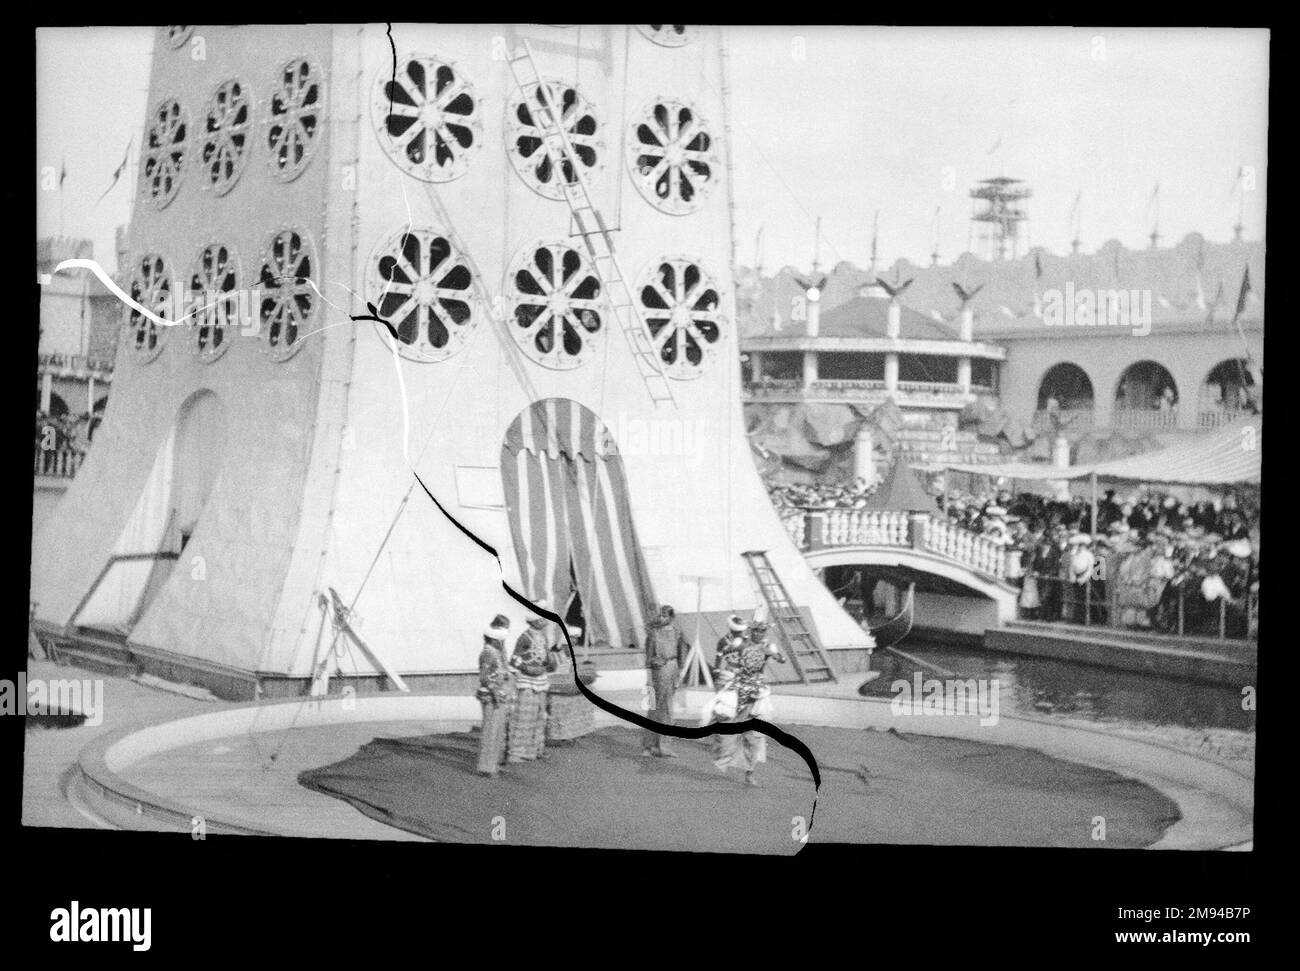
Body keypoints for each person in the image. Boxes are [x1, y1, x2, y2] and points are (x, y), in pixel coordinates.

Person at [508, 603, 559, 763]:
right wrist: (526, 668)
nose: (545, 621)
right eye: (542, 618)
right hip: (527, 681)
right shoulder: (524, 637)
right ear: (535, 621)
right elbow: (514, 659)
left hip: (541, 680)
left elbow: (546, 657)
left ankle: (537, 749)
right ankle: (517, 753)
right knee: (525, 716)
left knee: (540, 714)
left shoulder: (543, 637)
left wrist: (550, 663)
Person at [642, 604, 689, 758]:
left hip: (672, 668)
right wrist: (648, 679)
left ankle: (664, 746)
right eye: (660, 615)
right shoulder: (653, 634)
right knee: (654, 707)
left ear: (671, 617)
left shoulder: (678, 633)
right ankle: (649, 746)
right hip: (658, 671)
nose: (661, 618)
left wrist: (680, 676)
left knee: (668, 709)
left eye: (664, 616)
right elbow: (648, 659)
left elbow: (682, 655)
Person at [476, 615, 516, 777]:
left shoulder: (497, 651)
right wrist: (494, 692)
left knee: (498, 731)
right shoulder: (487, 653)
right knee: (490, 732)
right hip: (493, 696)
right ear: (494, 639)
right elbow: (484, 677)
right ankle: (486, 767)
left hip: (501, 693)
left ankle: (493, 764)